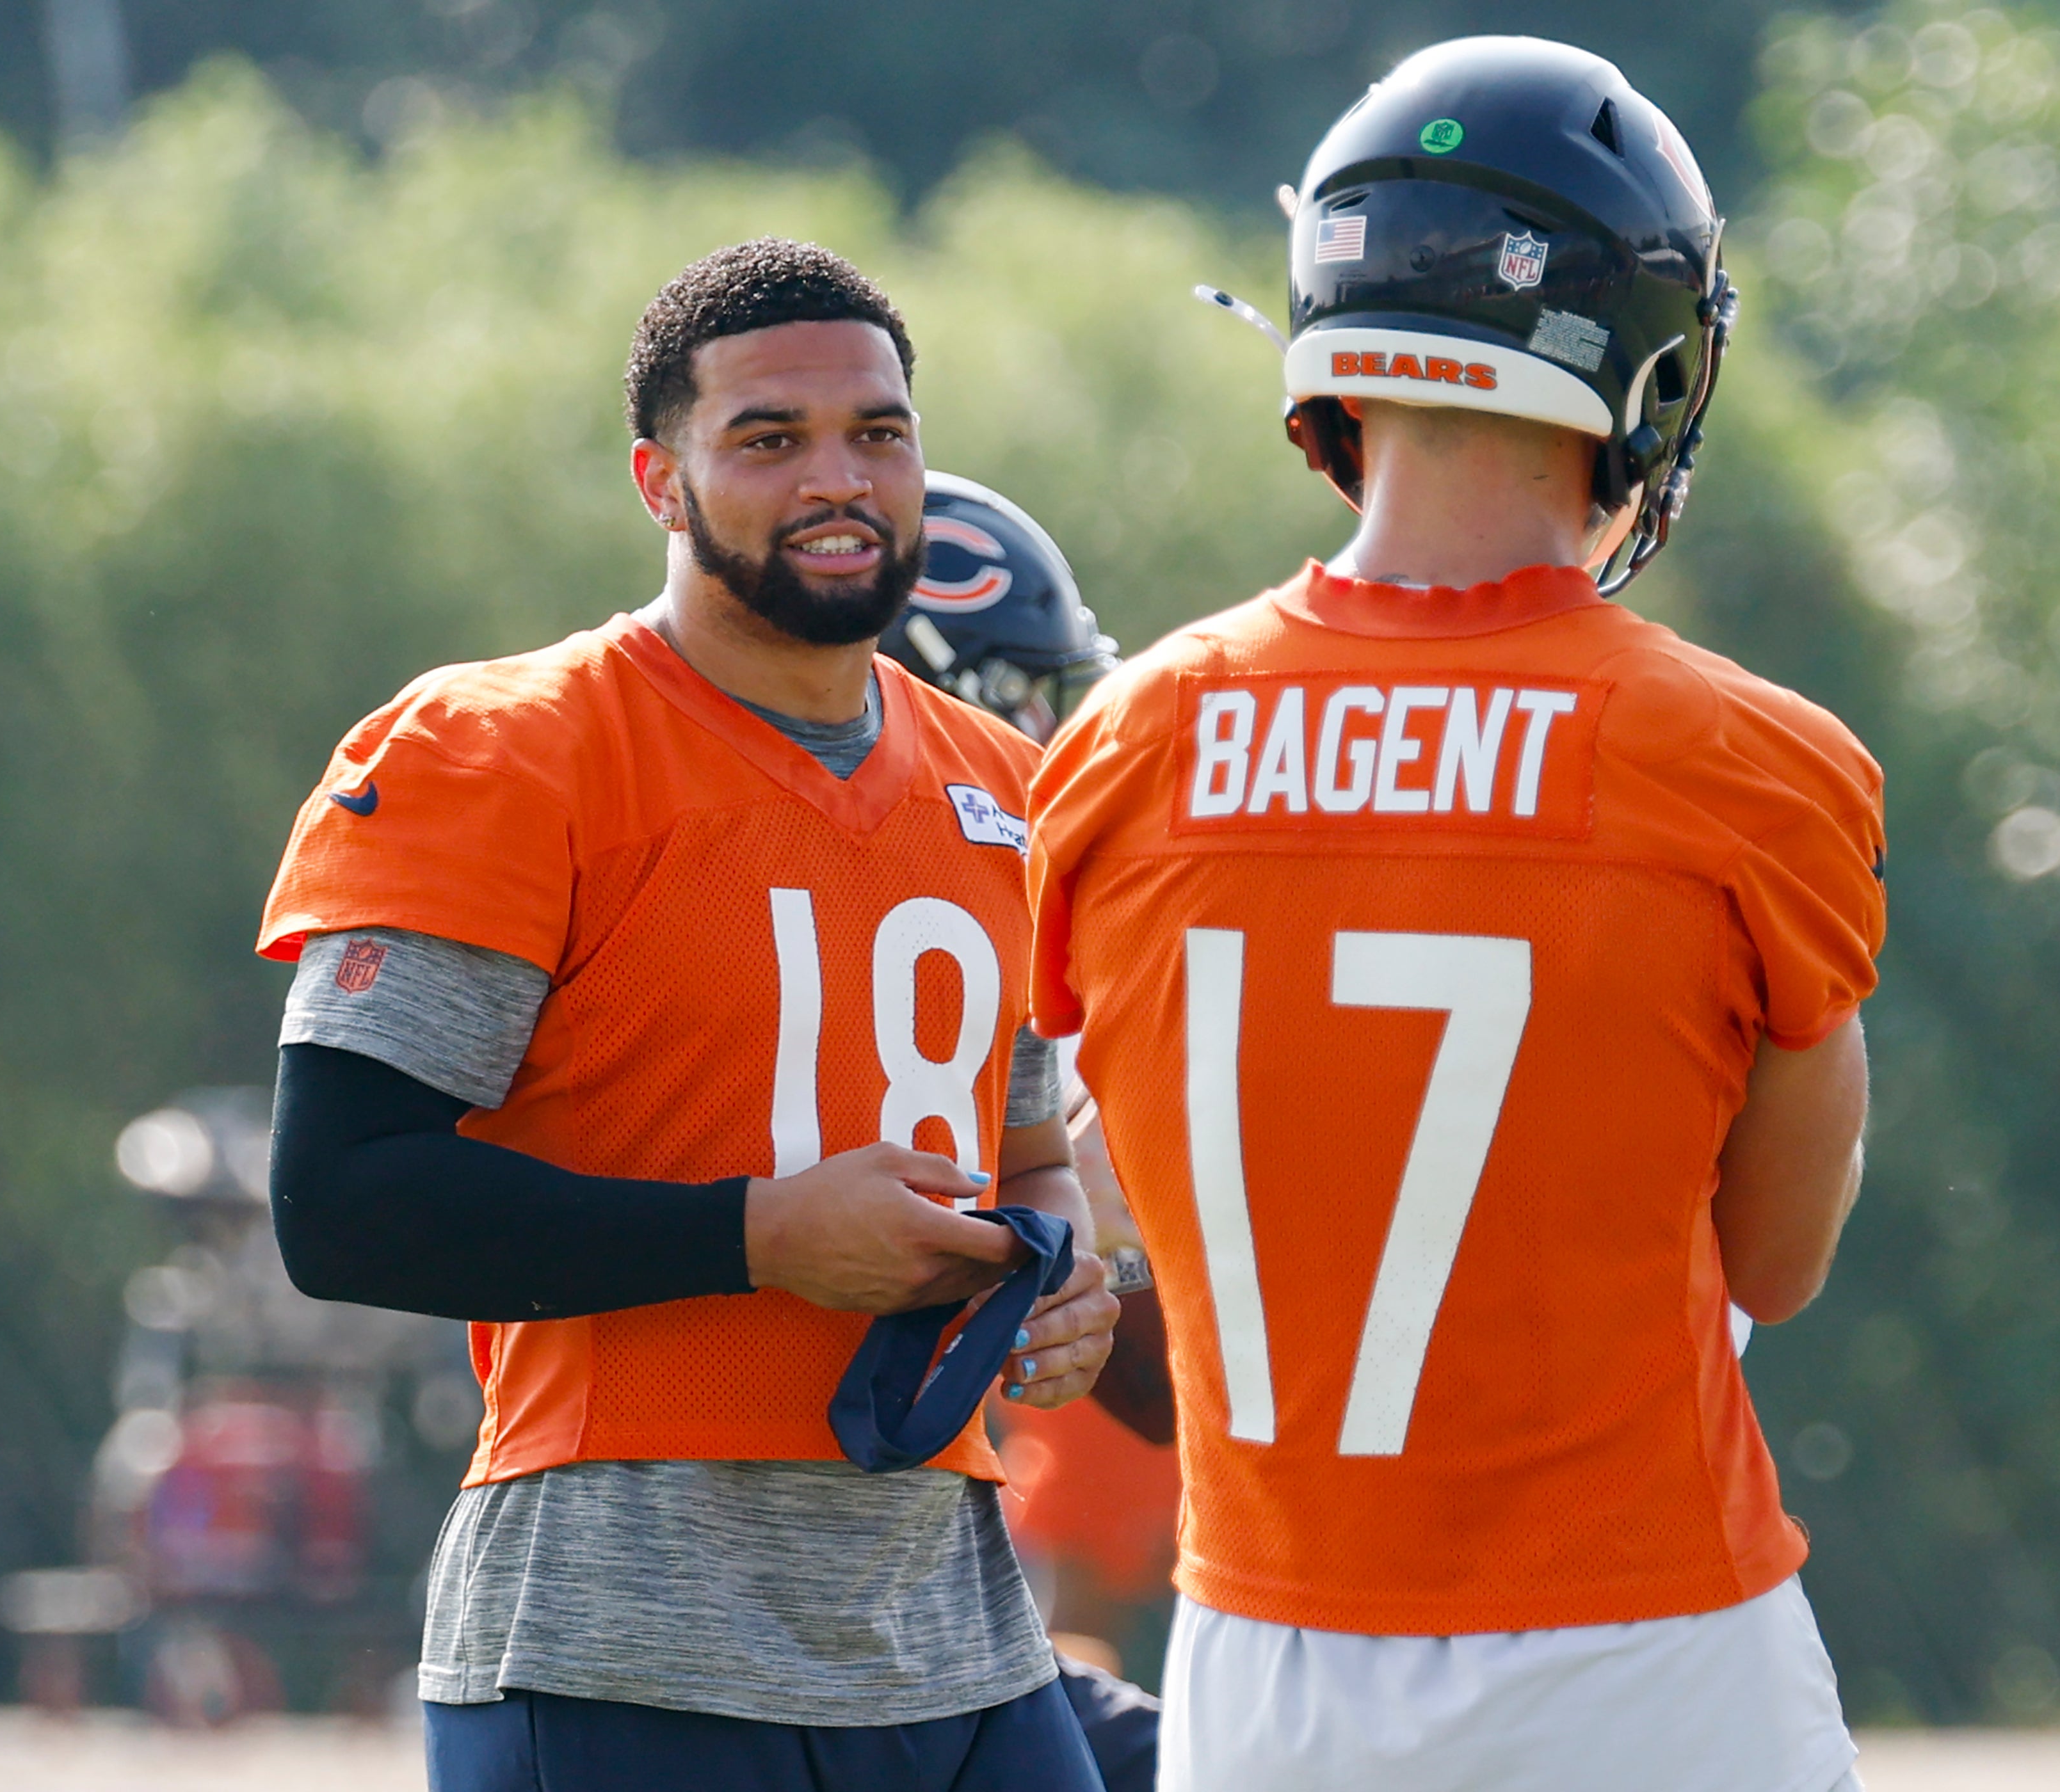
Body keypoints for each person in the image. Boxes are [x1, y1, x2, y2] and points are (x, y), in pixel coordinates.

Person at [1026, 37, 1883, 1792]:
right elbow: (1776, 1267)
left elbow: (1097, 1179)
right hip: (1647, 1662)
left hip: (1263, 1672)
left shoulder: (1124, 746)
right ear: (1643, 359)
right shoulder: (1748, 762)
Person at [255, 238, 1118, 1792]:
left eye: (878, 433)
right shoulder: (506, 751)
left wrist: (1067, 1284)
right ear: (659, 479)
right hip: (618, 1637)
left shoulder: (1006, 784)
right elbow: (340, 1203)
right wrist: (754, 1235)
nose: (838, 478)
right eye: (770, 440)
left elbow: (1027, 1150)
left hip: (955, 1629)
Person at [880, 472, 1165, 1792]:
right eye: (1031, 705)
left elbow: (1153, 1398)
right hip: (779, 1648)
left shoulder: (1009, 998)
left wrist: (1108, 1246)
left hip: (931, 1630)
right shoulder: (885, 985)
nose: (1056, 754)